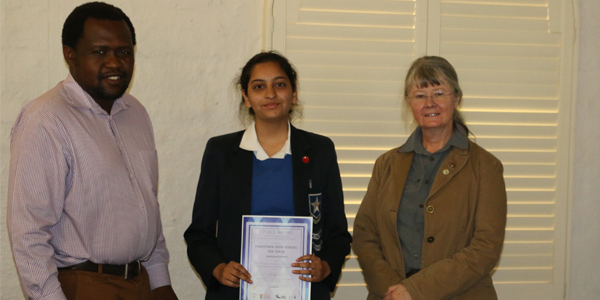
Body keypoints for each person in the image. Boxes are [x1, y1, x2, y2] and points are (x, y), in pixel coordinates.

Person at [7, 2, 177, 300]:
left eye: (124, 52)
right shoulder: (46, 120)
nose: (114, 62)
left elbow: (146, 205)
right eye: (99, 51)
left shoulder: (136, 113)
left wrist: (160, 283)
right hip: (83, 286)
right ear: (69, 54)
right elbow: (29, 234)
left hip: (141, 283)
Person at [184, 51, 352, 299]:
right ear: (247, 97)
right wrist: (218, 269)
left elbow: (337, 233)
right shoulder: (221, 152)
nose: (270, 94)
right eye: (259, 86)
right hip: (236, 291)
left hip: (303, 290)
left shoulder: (319, 150)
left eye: (280, 85)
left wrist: (325, 265)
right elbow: (199, 233)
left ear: (293, 94)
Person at [352, 56, 507, 300]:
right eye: (420, 95)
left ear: (456, 98)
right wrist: (393, 291)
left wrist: (414, 291)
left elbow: (485, 249)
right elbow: (364, 235)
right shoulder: (386, 165)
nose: (430, 103)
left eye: (439, 93)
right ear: (408, 102)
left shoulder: (486, 168)